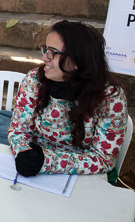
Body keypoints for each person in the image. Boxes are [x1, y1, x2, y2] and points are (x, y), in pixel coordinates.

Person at [8, 20, 128, 177]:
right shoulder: (34, 81)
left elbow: (104, 158)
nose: (45, 57)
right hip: (35, 169)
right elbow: (18, 131)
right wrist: (25, 155)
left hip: (80, 178)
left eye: (53, 52)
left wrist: (47, 161)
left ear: (78, 59)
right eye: (45, 50)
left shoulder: (111, 99)